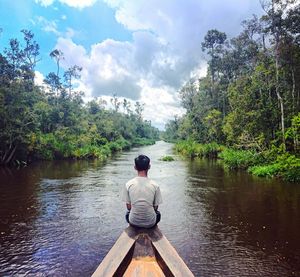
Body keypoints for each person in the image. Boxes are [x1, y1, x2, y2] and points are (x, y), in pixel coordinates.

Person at [121, 154, 162, 228]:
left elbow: (129, 207)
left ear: (135, 167)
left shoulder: (128, 184)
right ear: (149, 167)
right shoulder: (155, 185)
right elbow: (156, 207)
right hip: (150, 223)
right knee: (158, 214)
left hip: (133, 221)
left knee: (127, 213)